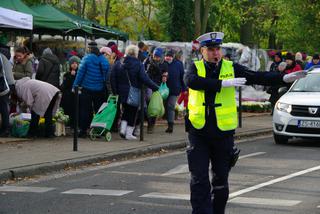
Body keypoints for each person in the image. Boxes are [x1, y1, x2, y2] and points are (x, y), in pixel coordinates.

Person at [184, 32, 307, 214]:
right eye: (211, 49)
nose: (215, 53)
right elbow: (191, 82)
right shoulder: (195, 67)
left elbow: (256, 76)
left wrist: (282, 78)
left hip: (223, 134)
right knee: (199, 180)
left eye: (217, 49)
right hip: (198, 133)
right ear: (202, 51)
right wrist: (221, 84)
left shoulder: (230, 66)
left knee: (220, 183)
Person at [111, 45, 159, 140]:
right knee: (133, 112)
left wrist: (115, 91)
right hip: (134, 92)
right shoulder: (138, 64)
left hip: (121, 93)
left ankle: (122, 130)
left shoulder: (119, 63)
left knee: (125, 111)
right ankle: (128, 134)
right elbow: (144, 78)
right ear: (136, 53)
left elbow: (112, 78)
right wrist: (155, 87)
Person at [72, 41, 109, 138]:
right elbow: (106, 74)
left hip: (86, 89)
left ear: (89, 49)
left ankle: (83, 130)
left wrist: (75, 86)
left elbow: (80, 74)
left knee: (85, 110)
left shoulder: (86, 59)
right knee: (99, 110)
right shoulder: (104, 60)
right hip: (99, 89)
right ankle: (98, 131)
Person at [144, 47, 168, 133]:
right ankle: (148, 121)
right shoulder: (147, 61)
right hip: (148, 85)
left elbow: (165, 72)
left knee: (154, 106)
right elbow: (143, 71)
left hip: (157, 87)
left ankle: (151, 125)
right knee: (147, 102)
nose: (156, 58)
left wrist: (165, 76)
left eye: (158, 57)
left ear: (161, 56)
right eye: (155, 56)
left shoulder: (163, 64)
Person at [163, 50, 186, 133]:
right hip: (162, 89)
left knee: (171, 106)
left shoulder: (178, 64)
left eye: (170, 56)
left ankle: (170, 126)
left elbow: (182, 76)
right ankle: (152, 123)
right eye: (167, 56)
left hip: (174, 89)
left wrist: (184, 88)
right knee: (162, 107)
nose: (168, 58)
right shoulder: (162, 63)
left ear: (173, 57)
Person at [60, 56, 81, 127]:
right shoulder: (67, 74)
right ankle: (69, 123)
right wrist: (70, 76)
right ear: (70, 64)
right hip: (68, 97)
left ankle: (75, 124)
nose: (74, 64)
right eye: (73, 63)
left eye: (76, 63)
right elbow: (64, 86)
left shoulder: (80, 74)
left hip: (77, 96)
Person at [0, 53, 15, 137]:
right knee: (3, 107)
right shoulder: (2, 56)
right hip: (8, 83)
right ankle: (5, 129)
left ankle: (6, 130)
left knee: (3, 107)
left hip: (5, 84)